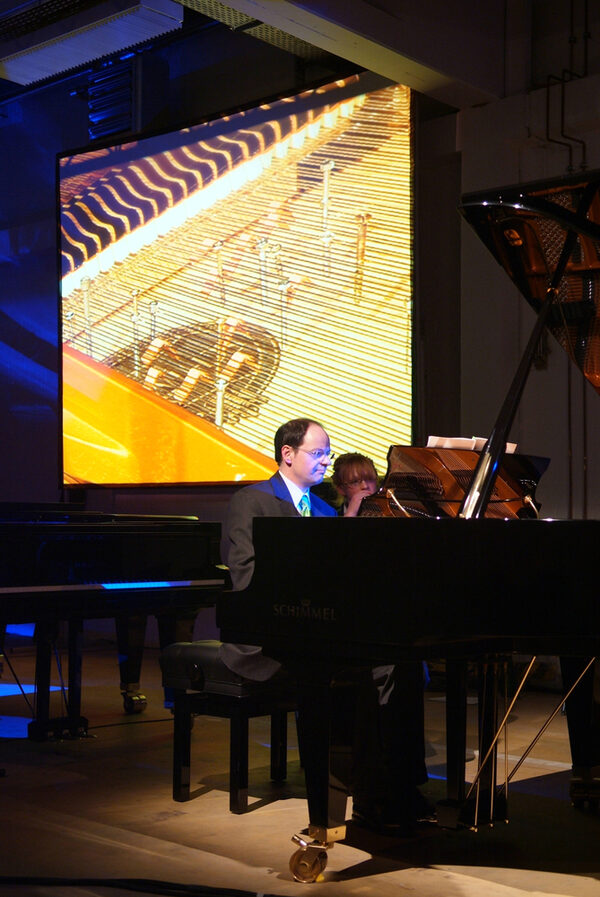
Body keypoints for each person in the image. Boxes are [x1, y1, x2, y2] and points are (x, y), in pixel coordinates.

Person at [220, 420, 433, 836]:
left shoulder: (323, 510)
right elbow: (246, 576)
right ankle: (372, 792)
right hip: (267, 636)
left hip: (317, 626)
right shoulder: (253, 501)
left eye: (327, 454)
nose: (325, 462)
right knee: (376, 668)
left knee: (406, 662)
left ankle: (393, 788)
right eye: (318, 453)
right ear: (287, 453)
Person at [331, 452, 379, 517]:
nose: (365, 486)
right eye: (355, 482)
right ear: (340, 489)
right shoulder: (330, 514)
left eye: (369, 479)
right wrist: (351, 513)